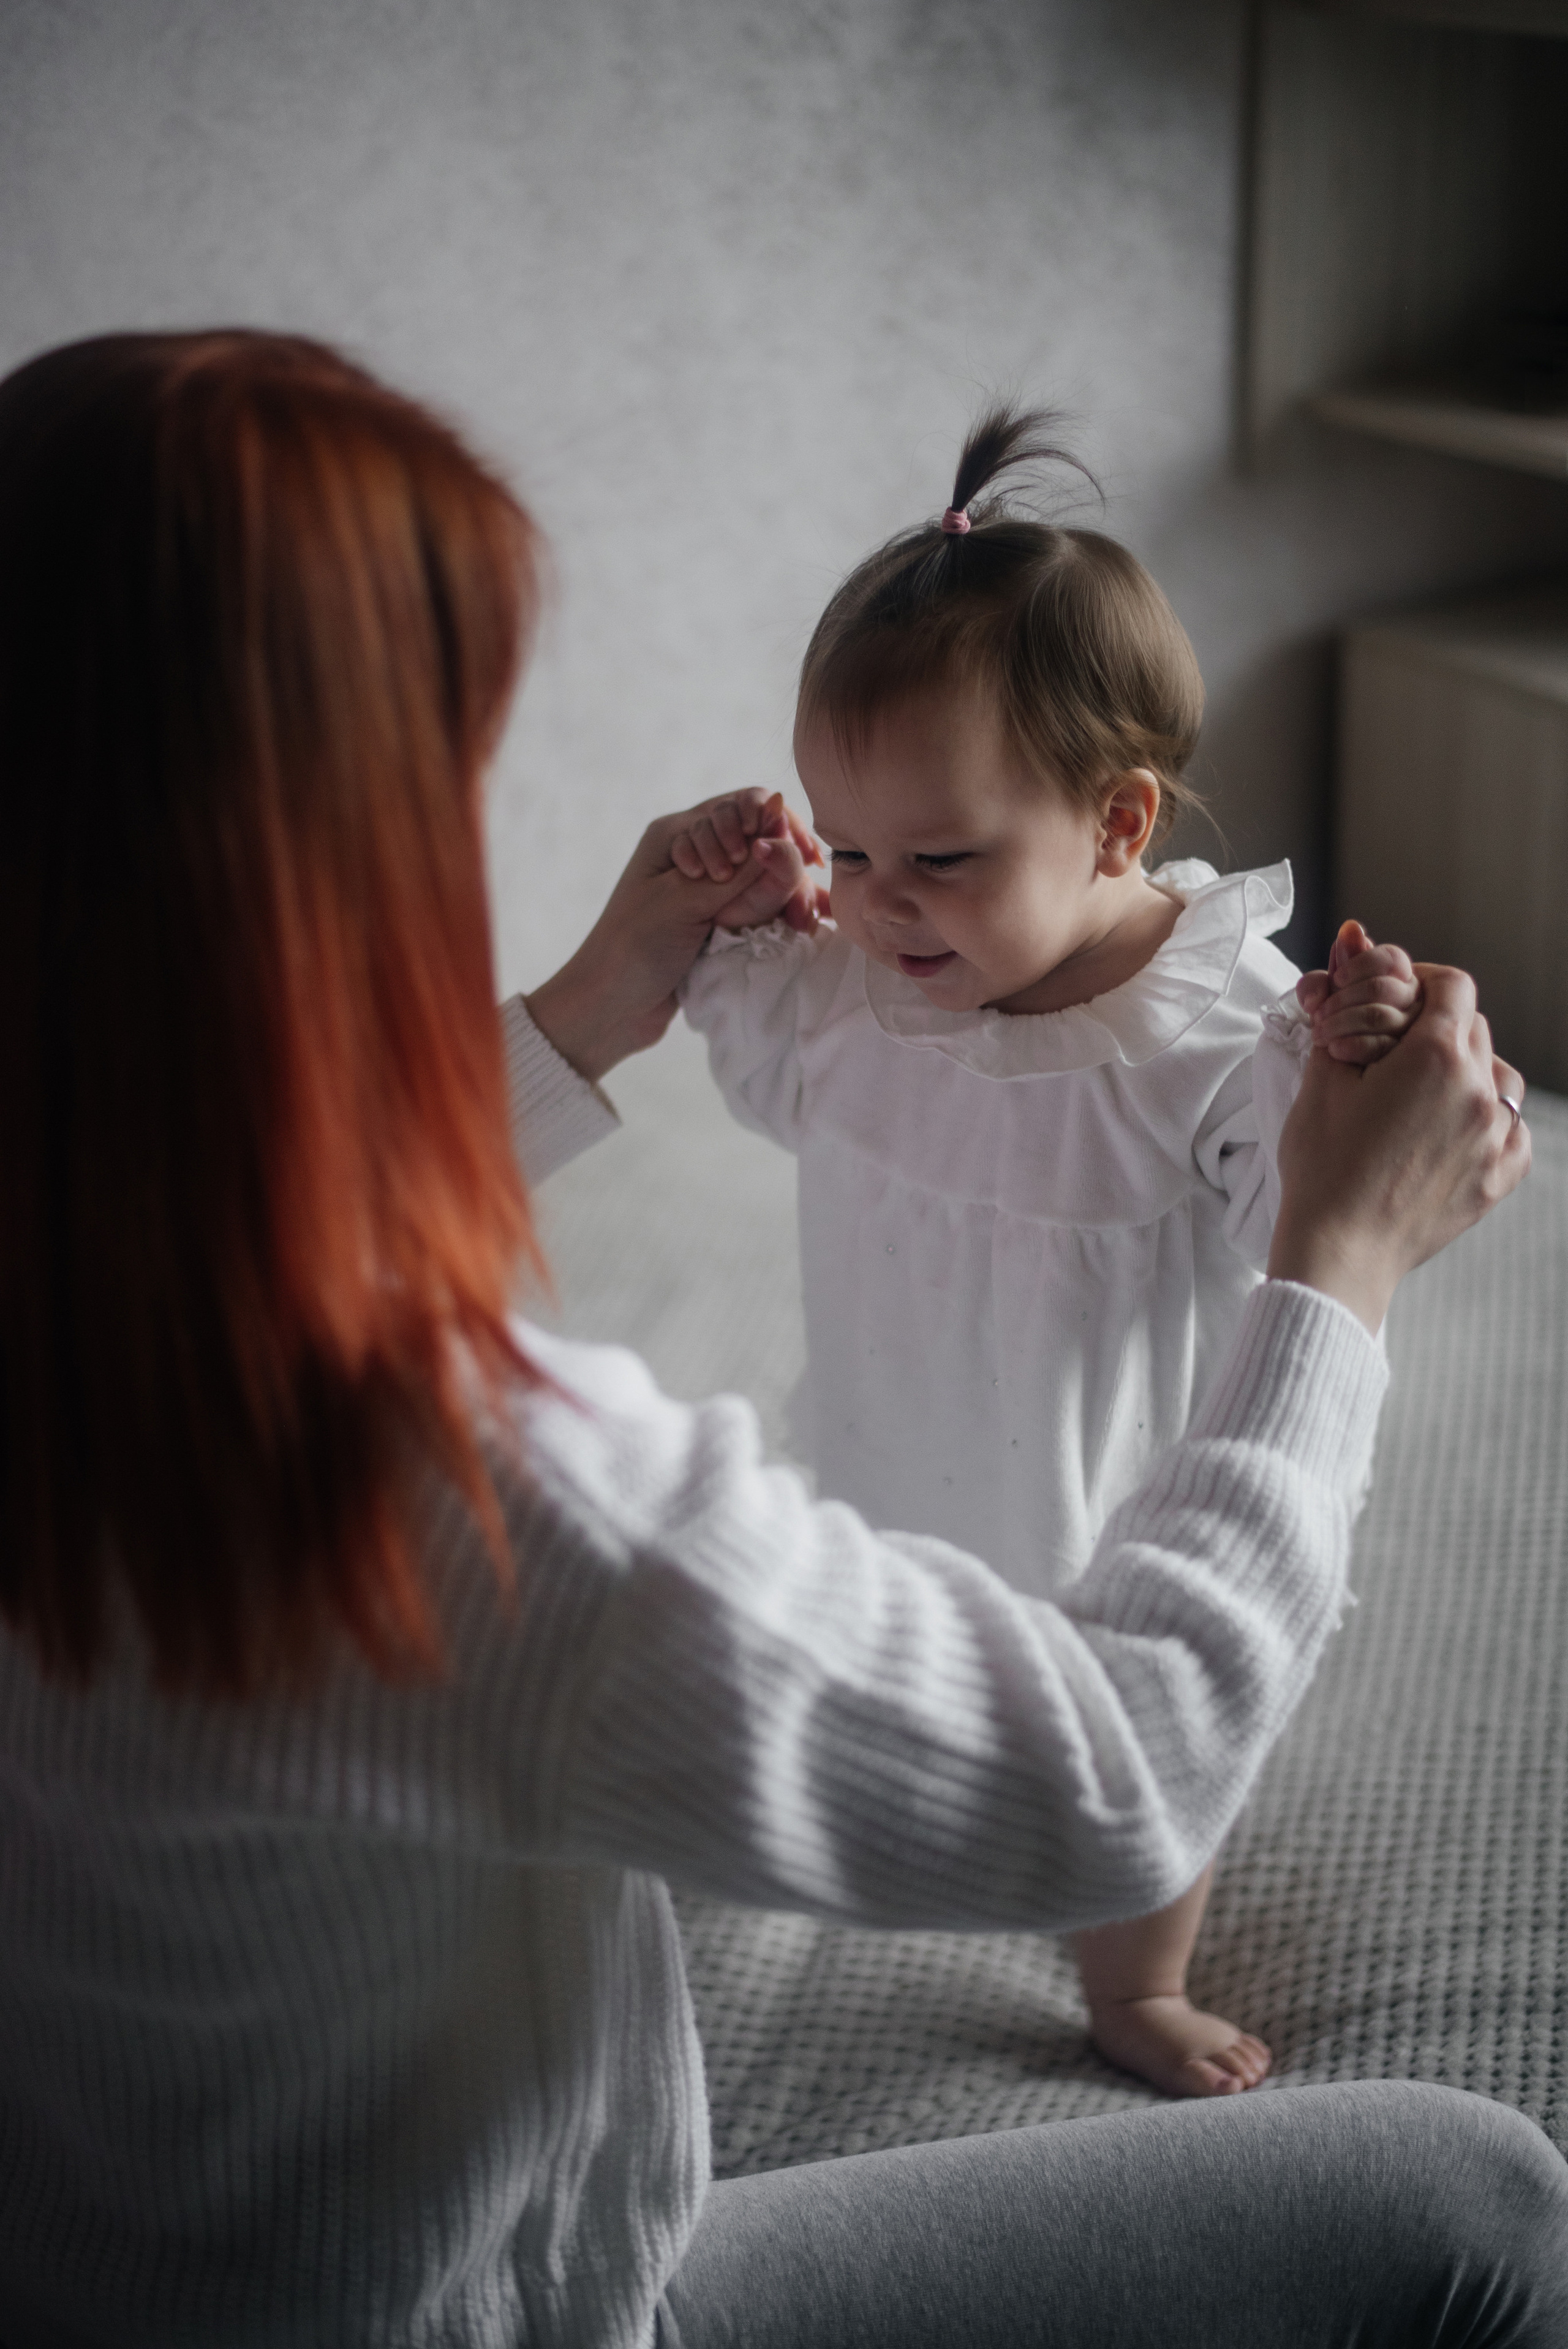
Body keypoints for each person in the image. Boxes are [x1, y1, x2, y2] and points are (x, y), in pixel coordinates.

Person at [0, 328, 1555, 2349]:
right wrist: (1343, 1257)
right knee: (1489, 2204)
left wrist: (583, 1004)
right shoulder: (456, 1494)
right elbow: (1119, 1772)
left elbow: (264, 1192)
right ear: (306, 865)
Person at [668, 403, 1422, 2098]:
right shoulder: (860, 984)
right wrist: (739, 903)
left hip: (1112, 1506)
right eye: (848, 846)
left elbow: (1314, 1191)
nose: (882, 900)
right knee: (864, 1647)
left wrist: (1352, 1049)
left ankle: (1130, 1979)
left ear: (1115, 825)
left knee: (1133, 1762)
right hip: (893, 1442)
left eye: (940, 858)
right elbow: (757, 1045)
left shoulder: (1211, 1030)